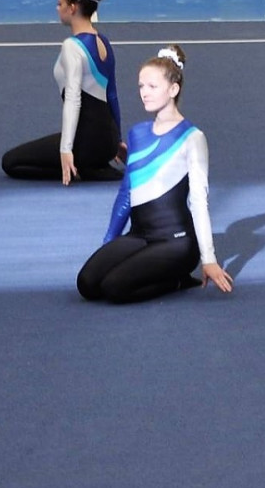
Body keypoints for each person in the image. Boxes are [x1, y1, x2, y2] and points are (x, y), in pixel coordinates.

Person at [77, 46, 233, 304]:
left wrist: (209, 260)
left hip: (176, 242)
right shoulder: (137, 133)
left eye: (152, 86)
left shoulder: (192, 138)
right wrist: (109, 243)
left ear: (173, 89)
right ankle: (159, 273)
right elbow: (126, 192)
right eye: (141, 86)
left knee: (115, 288)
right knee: (87, 284)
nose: (144, 93)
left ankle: (178, 280)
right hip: (139, 235)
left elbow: (199, 202)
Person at [2, 0, 123, 184]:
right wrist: (117, 141)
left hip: (88, 144)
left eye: (60, 4)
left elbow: (73, 100)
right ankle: (93, 164)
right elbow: (112, 95)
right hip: (107, 142)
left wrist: (65, 150)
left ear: (73, 7)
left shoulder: (72, 46)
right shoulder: (103, 41)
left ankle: (83, 168)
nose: (57, 8)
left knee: (10, 162)